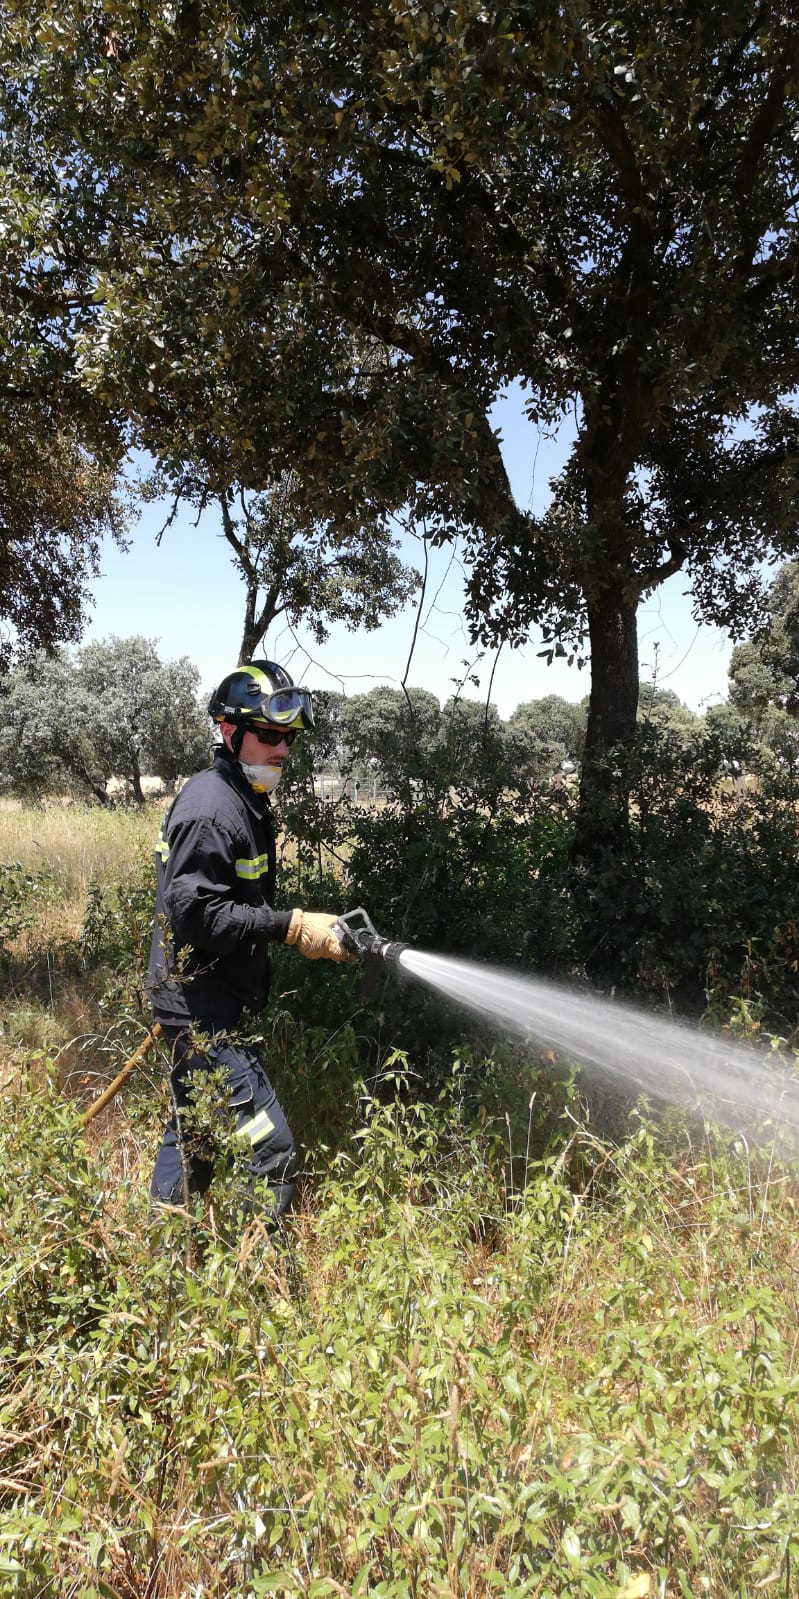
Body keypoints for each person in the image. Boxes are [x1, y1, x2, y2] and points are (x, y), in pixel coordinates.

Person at [147, 658, 351, 1225]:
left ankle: (163, 1251)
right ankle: (255, 1281)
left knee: (199, 1138)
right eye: (268, 735)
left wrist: (298, 930)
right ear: (228, 731)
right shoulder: (211, 809)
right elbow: (194, 915)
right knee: (272, 1148)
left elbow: (231, 905)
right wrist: (287, 926)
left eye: (287, 737)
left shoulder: (243, 798)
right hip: (200, 1014)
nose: (282, 749)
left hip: (213, 1001)